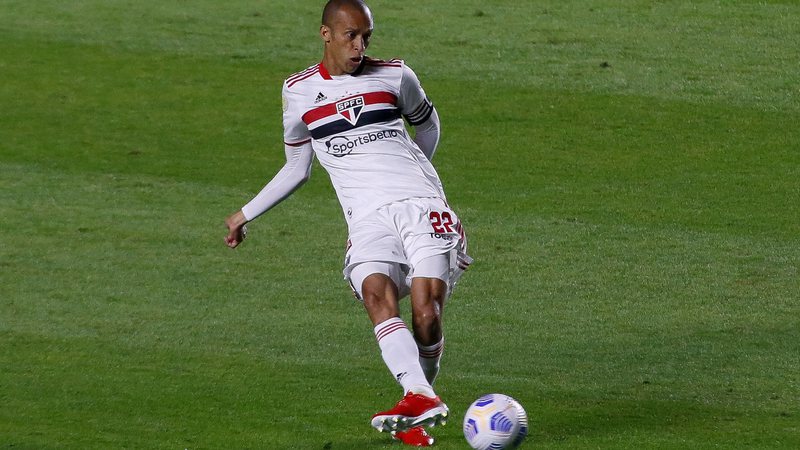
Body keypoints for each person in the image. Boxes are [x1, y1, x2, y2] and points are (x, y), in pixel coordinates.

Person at [224, 0, 471, 446]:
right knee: (375, 293)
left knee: (425, 312)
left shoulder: (396, 75)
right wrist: (246, 213)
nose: (360, 47)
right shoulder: (299, 92)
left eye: (366, 37)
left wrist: (414, 179)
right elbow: (297, 168)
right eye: (351, 36)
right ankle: (419, 398)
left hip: (420, 205)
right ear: (326, 35)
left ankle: (419, 401)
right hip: (367, 218)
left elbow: (429, 128)